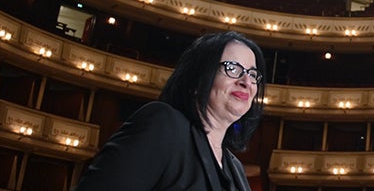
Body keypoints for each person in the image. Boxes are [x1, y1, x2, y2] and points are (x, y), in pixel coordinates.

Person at [75, 31, 265, 191]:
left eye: (253, 74)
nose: (246, 82)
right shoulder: (163, 124)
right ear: (198, 79)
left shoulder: (236, 168)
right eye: (232, 68)